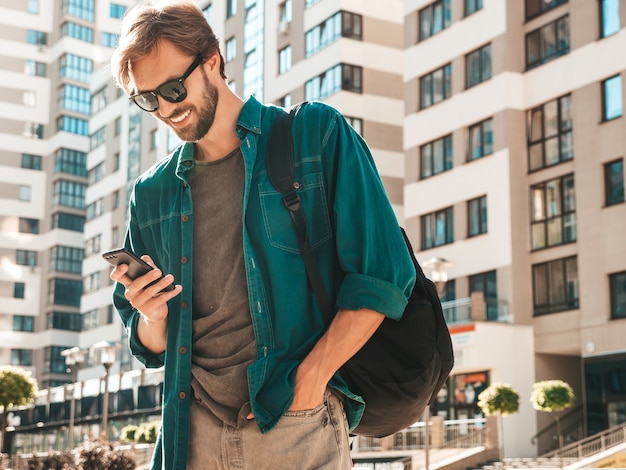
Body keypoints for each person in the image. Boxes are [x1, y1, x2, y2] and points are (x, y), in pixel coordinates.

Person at [108, 1, 416, 469]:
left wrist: (310, 381)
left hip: (294, 425)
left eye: (173, 88)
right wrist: (150, 316)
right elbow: (149, 347)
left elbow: (383, 276)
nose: (166, 109)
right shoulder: (151, 194)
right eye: (147, 99)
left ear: (212, 59)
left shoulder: (313, 134)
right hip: (189, 439)